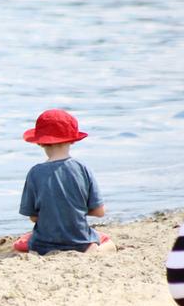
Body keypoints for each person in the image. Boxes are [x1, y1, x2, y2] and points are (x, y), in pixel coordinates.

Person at [15, 109, 116, 254]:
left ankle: (36, 252)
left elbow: (33, 217)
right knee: (107, 241)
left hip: (44, 244)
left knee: (20, 244)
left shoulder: (35, 173)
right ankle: (94, 251)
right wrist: (73, 211)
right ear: (73, 140)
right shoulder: (83, 169)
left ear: (40, 143)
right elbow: (99, 212)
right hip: (80, 241)